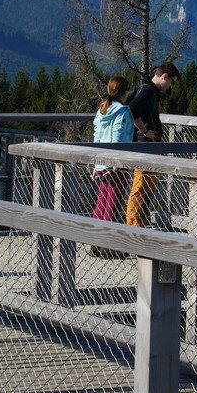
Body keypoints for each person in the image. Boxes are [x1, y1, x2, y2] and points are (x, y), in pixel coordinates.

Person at [124, 62, 179, 228]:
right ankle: (133, 226)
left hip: (149, 146)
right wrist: (145, 130)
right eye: (172, 82)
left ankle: (139, 223)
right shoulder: (148, 91)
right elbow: (132, 110)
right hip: (145, 147)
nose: (171, 87)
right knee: (141, 187)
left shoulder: (147, 89)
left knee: (146, 187)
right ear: (165, 76)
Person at [90, 76, 134, 258]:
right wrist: (116, 162)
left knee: (102, 202)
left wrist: (96, 163)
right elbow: (117, 136)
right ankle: (108, 245)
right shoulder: (122, 111)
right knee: (113, 204)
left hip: (101, 163)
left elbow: (97, 136)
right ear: (124, 92)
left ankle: (95, 241)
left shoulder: (102, 110)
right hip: (117, 164)